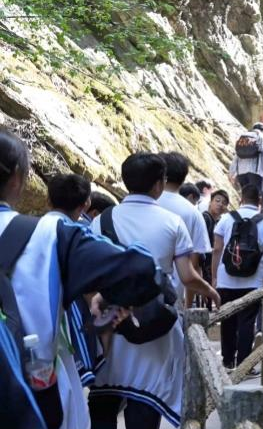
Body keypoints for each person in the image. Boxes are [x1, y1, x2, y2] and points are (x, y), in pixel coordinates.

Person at [0, 133, 161, 429]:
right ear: (18, 178)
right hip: (32, 397)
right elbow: (141, 269)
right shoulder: (49, 235)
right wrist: (109, 297)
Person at [89, 153, 220, 429]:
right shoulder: (172, 222)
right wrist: (211, 291)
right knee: (145, 403)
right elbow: (187, 276)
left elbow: (91, 275)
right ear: (159, 184)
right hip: (153, 323)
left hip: (111, 323)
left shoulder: (100, 222)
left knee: (104, 402)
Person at [47, 174, 106, 388]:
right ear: (87, 203)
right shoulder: (80, 233)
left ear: (48, 200)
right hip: (71, 314)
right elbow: (89, 287)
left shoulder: (32, 227)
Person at [210, 185, 263, 369]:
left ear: (241, 199)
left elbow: (217, 249)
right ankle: (244, 365)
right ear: (260, 201)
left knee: (227, 320)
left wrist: (215, 277)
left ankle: (227, 361)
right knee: (247, 323)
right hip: (253, 281)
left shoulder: (226, 219)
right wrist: (260, 258)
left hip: (226, 280)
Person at [159, 152, 213, 304]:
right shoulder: (193, 213)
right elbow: (194, 263)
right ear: (184, 178)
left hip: (136, 292)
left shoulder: (148, 202)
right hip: (174, 293)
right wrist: (188, 306)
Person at [199, 189, 230, 309]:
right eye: (217, 201)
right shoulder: (206, 218)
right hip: (205, 263)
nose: (220, 204)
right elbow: (202, 243)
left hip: (209, 262)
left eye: (224, 203)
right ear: (210, 202)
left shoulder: (217, 221)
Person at [230, 123, 263, 191]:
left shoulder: (243, 136)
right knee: (256, 194)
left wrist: (231, 172)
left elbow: (237, 155)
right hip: (256, 172)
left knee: (245, 193)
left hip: (241, 172)